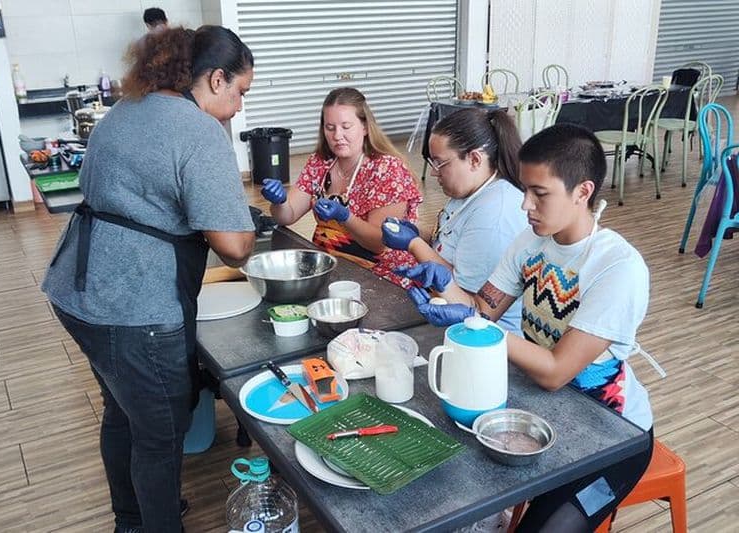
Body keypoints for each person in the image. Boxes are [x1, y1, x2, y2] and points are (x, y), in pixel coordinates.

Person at [41, 26, 256, 533]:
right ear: (216, 78)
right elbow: (235, 245)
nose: (238, 108)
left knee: (122, 414)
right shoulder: (197, 129)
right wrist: (240, 224)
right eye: (240, 93)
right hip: (134, 305)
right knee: (160, 436)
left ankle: (131, 520)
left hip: (79, 288)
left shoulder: (126, 108)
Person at [402, 124, 654, 532]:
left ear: (582, 192)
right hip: (539, 412)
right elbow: (484, 309)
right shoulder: (529, 244)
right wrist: (443, 284)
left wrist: (472, 320)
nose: (525, 205)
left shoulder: (617, 268)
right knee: (441, 490)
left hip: (612, 437)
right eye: (524, 190)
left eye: (540, 193)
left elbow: (556, 371)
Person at [381, 107, 527, 334]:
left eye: (440, 163)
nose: (433, 173)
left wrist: (413, 244)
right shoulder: (470, 192)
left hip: (487, 334)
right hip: (448, 309)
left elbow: (467, 299)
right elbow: (455, 241)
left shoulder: (495, 216)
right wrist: (418, 233)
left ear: (475, 159)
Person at [260, 87, 423, 285]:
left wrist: (345, 217)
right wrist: (279, 202)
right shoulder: (321, 163)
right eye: (330, 128)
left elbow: (379, 243)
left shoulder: (388, 170)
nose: (337, 135)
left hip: (382, 276)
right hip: (333, 266)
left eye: (346, 126)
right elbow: (287, 215)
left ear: (364, 127)